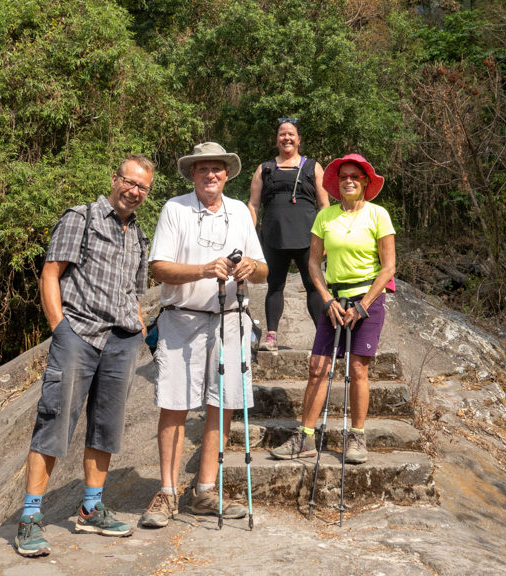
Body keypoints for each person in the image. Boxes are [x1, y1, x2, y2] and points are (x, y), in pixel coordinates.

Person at [15, 154, 154, 557]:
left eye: (143, 187)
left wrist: (140, 326)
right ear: (115, 178)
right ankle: (29, 518)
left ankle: (91, 509)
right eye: (130, 182)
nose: (135, 191)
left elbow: (135, 291)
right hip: (79, 333)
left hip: (123, 340)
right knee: (54, 423)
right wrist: (59, 328)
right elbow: (50, 273)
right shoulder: (82, 217)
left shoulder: (139, 234)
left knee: (106, 429)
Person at [141, 142, 268, 528]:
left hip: (232, 319)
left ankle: (205, 491)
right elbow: (158, 268)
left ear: (227, 174)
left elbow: (264, 270)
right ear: (192, 174)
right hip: (182, 319)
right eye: (202, 169)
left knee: (223, 402)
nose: (210, 175)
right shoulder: (174, 209)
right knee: (175, 402)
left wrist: (249, 266)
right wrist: (201, 270)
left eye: (217, 169)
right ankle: (166, 491)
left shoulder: (240, 214)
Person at [269, 153, 395, 464]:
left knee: (358, 369)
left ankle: (357, 436)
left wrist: (363, 306)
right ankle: (306, 437)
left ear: (365, 181)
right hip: (334, 301)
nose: (348, 180)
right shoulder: (325, 217)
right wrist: (325, 299)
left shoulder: (378, 215)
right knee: (317, 367)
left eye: (355, 176)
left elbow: (389, 266)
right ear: (336, 184)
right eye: (343, 176)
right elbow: (313, 262)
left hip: (368, 299)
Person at [247, 118, 329, 351]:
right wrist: (247, 236)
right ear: (276, 140)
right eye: (282, 134)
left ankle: (322, 337)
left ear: (299, 139)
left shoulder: (313, 167)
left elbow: (324, 206)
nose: (286, 138)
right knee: (275, 286)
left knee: (314, 286)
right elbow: (253, 205)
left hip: (308, 238)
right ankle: (271, 336)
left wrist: (325, 241)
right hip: (274, 237)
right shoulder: (265, 168)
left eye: (291, 134)